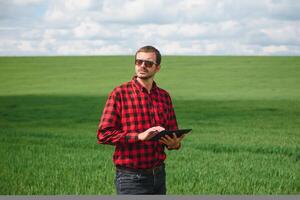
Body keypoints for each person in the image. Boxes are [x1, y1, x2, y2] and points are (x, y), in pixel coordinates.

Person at [97, 45, 185, 195]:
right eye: (139, 62)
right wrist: (138, 136)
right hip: (130, 178)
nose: (142, 66)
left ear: (157, 68)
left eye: (148, 63)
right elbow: (103, 134)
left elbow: (172, 133)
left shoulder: (164, 96)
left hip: (159, 175)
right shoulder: (120, 93)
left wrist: (174, 144)